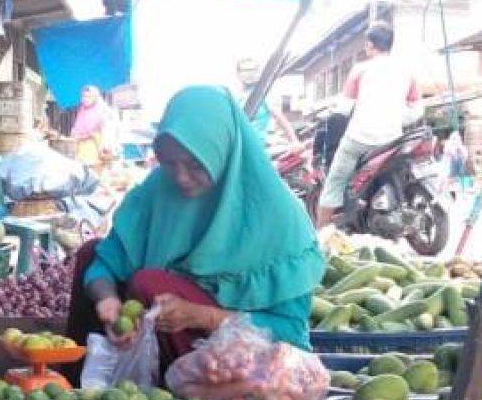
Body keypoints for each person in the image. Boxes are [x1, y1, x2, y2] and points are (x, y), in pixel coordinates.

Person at [65, 86, 326, 381]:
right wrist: (107, 302)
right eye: (169, 164)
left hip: (236, 365)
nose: (181, 178)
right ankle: (78, 384)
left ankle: (166, 389)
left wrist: (204, 316)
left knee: (150, 284)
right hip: (160, 336)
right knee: (90, 254)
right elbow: (106, 262)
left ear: (223, 153)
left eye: (195, 165)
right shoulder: (158, 190)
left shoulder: (278, 218)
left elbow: (291, 332)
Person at [315, 22, 421, 229]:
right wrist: (394, 119)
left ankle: (321, 236)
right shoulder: (407, 72)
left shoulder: (360, 70)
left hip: (358, 140)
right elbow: (417, 109)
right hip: (391, 142)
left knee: (334, 184)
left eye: (366, 45)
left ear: (371, 45)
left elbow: (343, 109)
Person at [236, 57, 299, 146]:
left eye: (253, 70)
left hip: (259, 144)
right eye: (246, 70)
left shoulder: (262, 94)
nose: (250, 74)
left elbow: (279, 116)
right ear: (238, 73)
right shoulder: (234, 96)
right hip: (238, 144)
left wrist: (294, 140)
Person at [71, 85, 117, 170]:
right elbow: (77, 130)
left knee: (96, 178)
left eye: (89, 96)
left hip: (96, 151)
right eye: (83, 96)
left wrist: (106, 149)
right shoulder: (82, 110)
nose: (85, 99)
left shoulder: (102, 111)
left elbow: (108, 132)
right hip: (82, 151)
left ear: (95, 97)